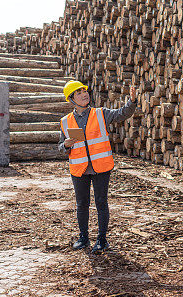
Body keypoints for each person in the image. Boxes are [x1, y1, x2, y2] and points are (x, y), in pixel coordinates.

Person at [58, 80, 137, 253]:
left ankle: (102, 240)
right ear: (71, 99)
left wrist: (132, 102)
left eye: (84, 91)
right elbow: (60, 147)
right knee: (82, 204)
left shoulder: (101, 113)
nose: (84, 94)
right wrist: (66, 144)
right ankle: (83, 237)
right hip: (79, 169)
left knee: (101, 203)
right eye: (78, 93)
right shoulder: (65, 121)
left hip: (100, 167)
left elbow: (122, 114)